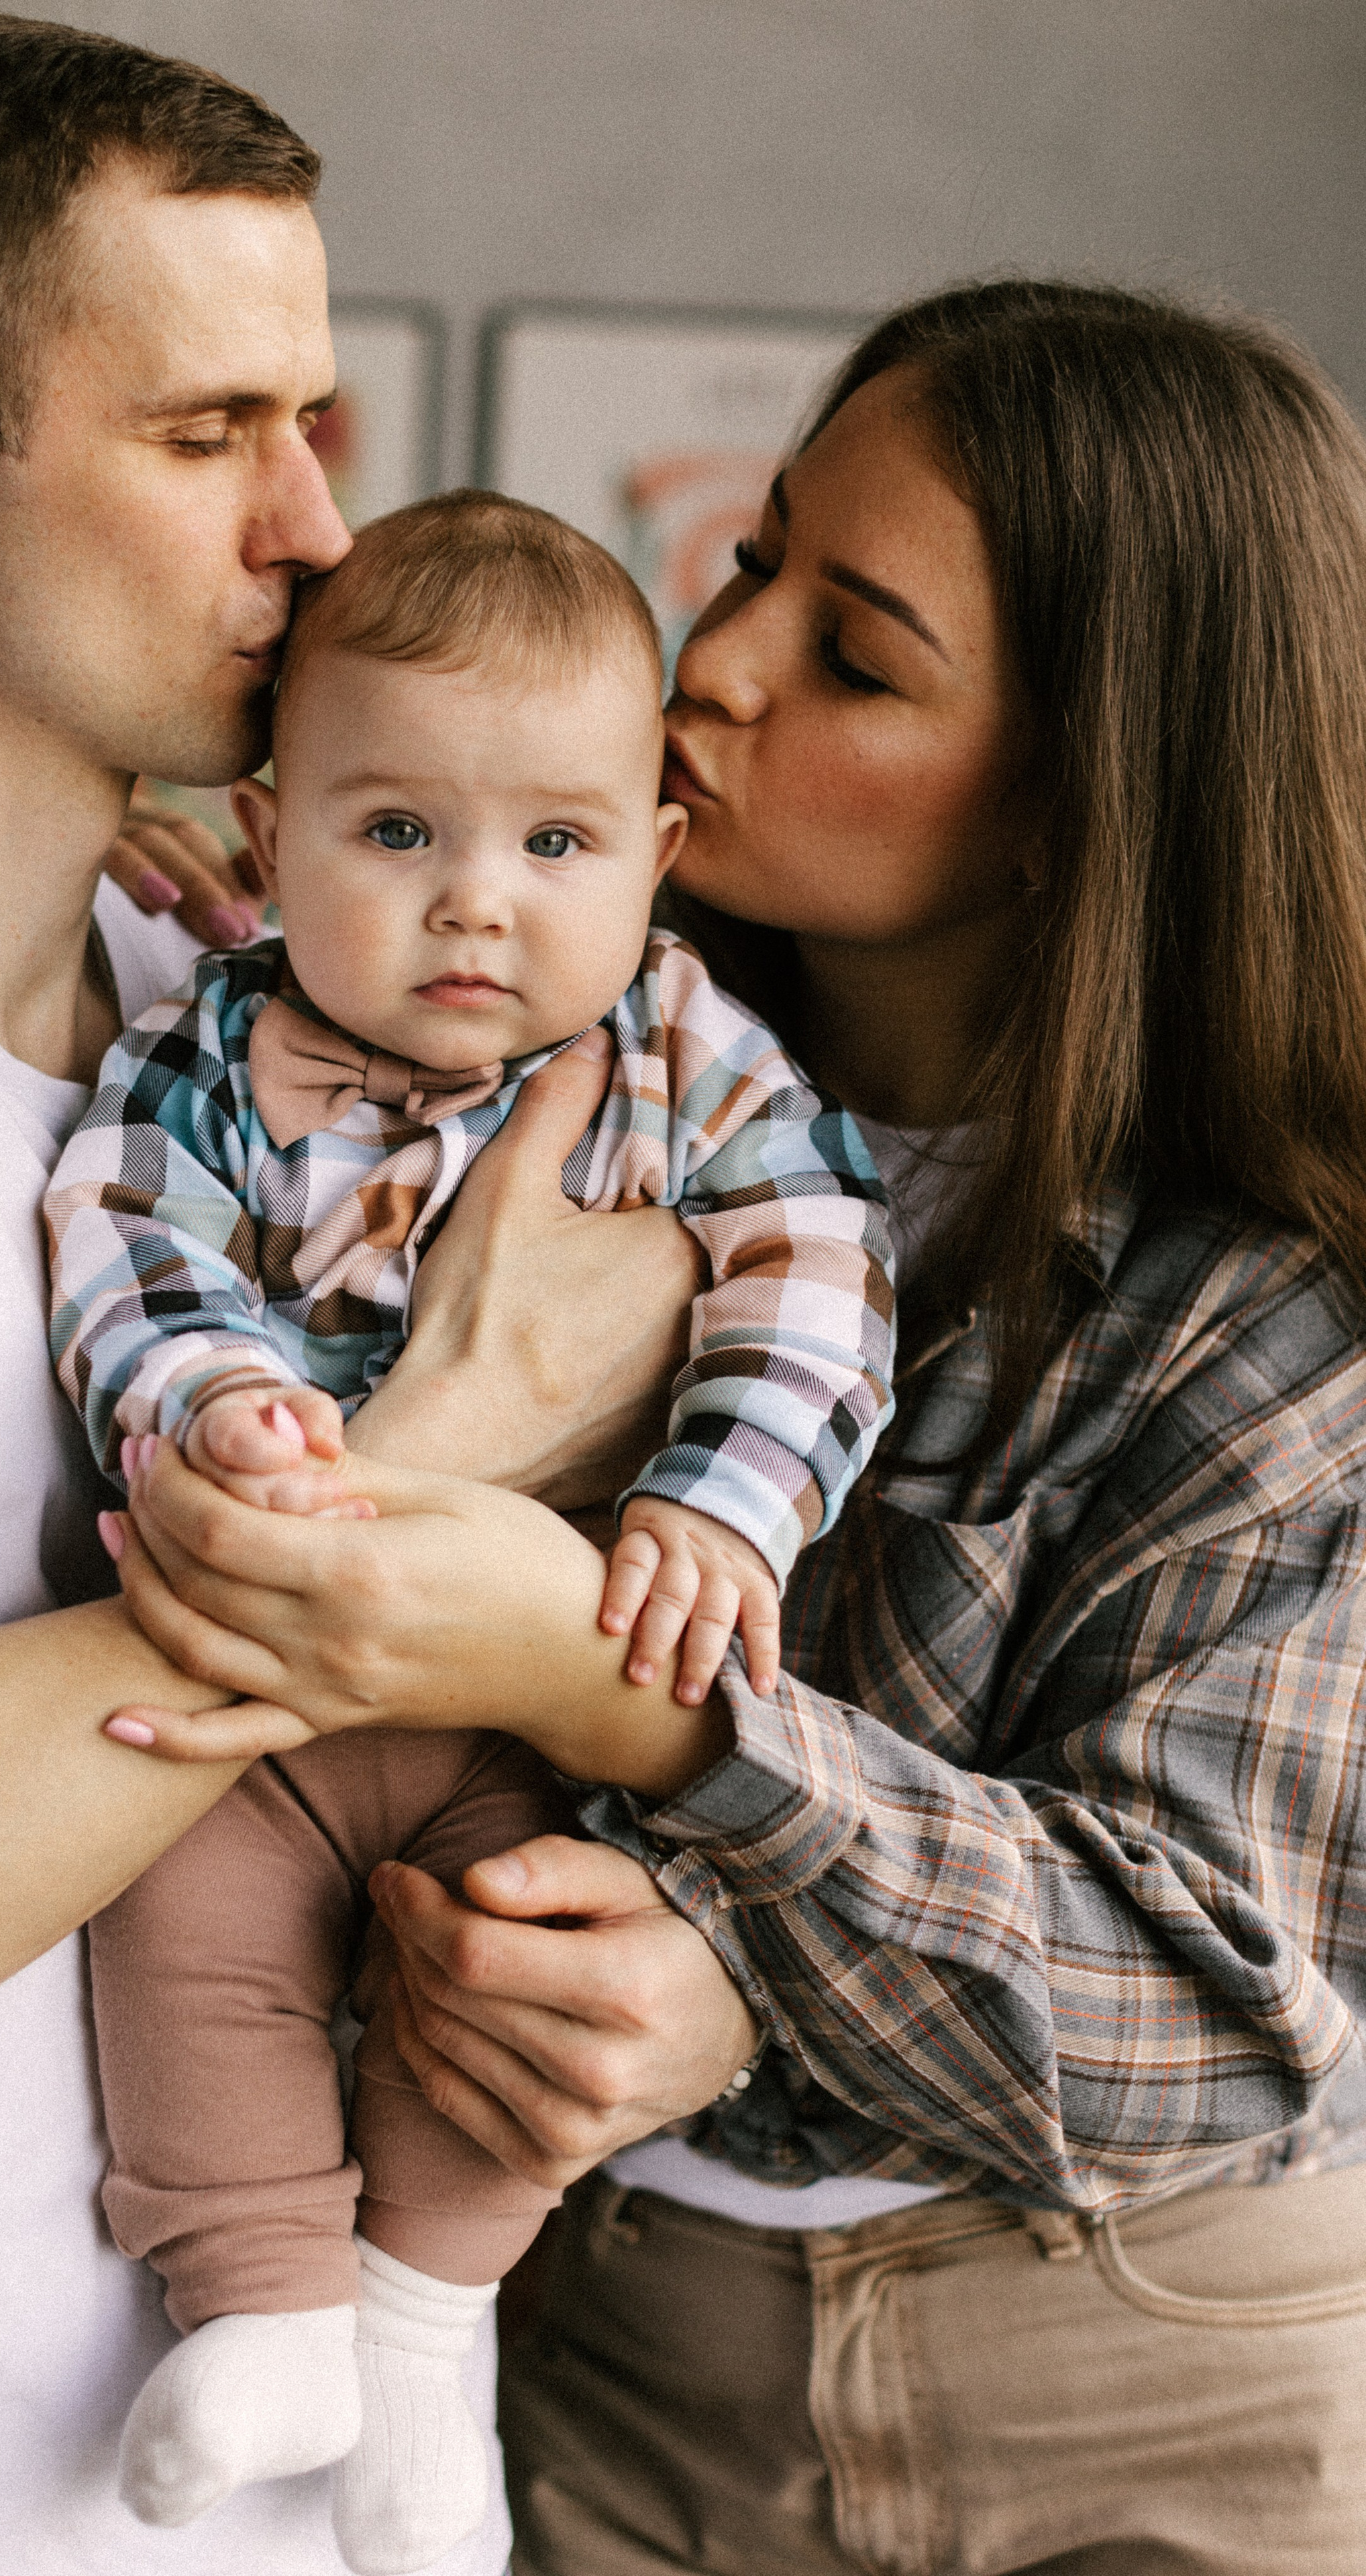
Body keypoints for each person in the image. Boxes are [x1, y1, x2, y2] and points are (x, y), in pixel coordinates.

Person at [99, 280, 1366, 2575]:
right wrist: (251, 926)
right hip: (613, 2328)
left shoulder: (1269, 1307)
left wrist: (709, 1883)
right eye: (758, 553)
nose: (720, 663)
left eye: (856, 653)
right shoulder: (517, 1055)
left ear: (1089, 794)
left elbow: (1221, 2007)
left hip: (1141, 2354)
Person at [0, 18, 730, 2573]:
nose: (323, 528)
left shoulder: (282, 1012)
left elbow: (615, 1685)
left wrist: (690, 1977)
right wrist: (433, 1449)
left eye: (321, 422)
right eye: (207, 432)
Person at [41, 490, 894, 2571]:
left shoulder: (687, 1056)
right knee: (177, 1931)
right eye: (396, 833)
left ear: (655, 862)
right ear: (267, 833)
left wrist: (721, 1504)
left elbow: (822, 1274)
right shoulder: (211, 1043)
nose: (473, 909)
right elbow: (123, 1239)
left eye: (554, 845)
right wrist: (213, 1396)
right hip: (271, 1690)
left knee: (510, 1975)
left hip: (546, 1692)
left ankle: (426, 2340)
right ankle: (262, 2303)